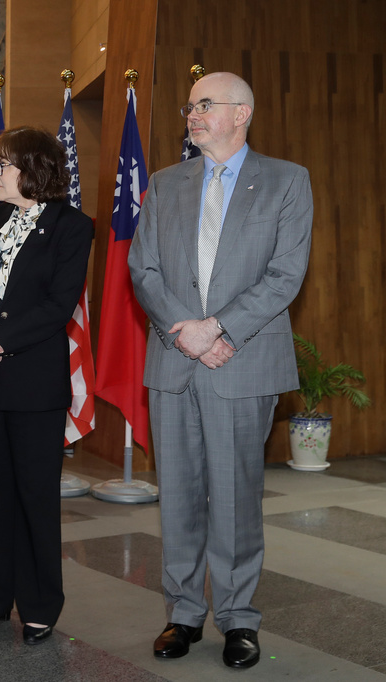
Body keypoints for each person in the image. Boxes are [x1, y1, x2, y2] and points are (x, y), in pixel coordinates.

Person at [128, 72, 313, 669]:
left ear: (242, 114)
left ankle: (237, 620)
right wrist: (188, 331)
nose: (192, 114)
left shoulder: (287, 181)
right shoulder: (164, 183)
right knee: (177, 496)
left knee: (235, 499)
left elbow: (286, 275)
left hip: (243, 360)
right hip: (175, 359)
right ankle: (183, 615)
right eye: (190, 106)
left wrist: (221, 329)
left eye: (205, 105)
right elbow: (143, 270)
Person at [0, 126, 93, 645]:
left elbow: (57, 306)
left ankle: (38, 606)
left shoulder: (74, 227)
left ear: (35, 169)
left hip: (32, 383)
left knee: (34, 497)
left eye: (4, 165)